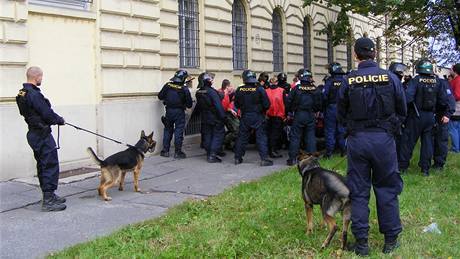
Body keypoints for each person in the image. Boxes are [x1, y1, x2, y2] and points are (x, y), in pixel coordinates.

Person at [337, 37, 407, 255]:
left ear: (356, 55)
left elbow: (340, 113)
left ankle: (362, 244)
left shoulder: (349, 80)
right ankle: (390, 240)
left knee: (358, 191)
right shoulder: (391, 77)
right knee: (387, 188)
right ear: (374, 54)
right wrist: (390, 129)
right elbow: (402, 108)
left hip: (358, 140)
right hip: (383, 140)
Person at [16, 67, 67, 212]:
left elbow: (26, 113)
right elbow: (47, 113)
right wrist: (59, 120)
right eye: (41, 77)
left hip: (33, 133)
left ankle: (49, 194)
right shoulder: (34, 94)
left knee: (43, 165)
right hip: (42, 135)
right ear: (36, 76)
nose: (41, 79)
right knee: (50, 164)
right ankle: (48, 200)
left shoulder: (22, 93)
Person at [398, 59, 449, 176]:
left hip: (416, 116)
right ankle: (425, 169)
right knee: (427, 143)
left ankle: (403, 167)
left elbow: (408, 98)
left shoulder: (416, 80)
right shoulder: (438, 82)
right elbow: (443, 101)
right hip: (430, 116)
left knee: (408, 141)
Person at [234, 70, 273, 166]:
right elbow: (267, 105)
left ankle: (237, 158)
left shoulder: (239, 90)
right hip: (258, 116)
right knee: (261, 137)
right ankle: (264, 159)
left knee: (242, 137)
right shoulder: (260, 89)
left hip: (245, 116)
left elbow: (236, 104)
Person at [286, 69, 322, 166]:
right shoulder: (315, 89)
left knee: (295, 137)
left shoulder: (296, 89)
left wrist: (289, 111)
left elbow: (288, 101)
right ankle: (313, 159)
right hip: (310, 114)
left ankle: (293, 159)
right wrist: (315, 111)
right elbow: (319, 103)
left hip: (299, 114)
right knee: (310, 137)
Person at [158, 70, 193, 159]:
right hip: (179, 112)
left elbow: (160, 96)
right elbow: (189, 105)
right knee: (178, 131)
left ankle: (165, 151)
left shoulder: (168, 85)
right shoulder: (184, 89)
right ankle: (178, 152)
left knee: (167, 130)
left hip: (169, 111)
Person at [195, 73, 226, 163]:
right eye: (211, 79)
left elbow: (199, 106)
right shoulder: (211, 92)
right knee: (218, 135)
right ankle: (212, 155)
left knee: (207, 135)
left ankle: (209, 153)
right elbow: (218, 105)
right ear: (207, 81)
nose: (212, 81)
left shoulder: (199, 92)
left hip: (205, 117)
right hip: (215, 117)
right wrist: (223, 117)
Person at [322, 62, 347, 158]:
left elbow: (324, 96)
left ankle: (329, 153)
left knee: (330, 131)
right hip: (342, 108)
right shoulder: (345, 81)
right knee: (342, 130)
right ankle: (344, 151)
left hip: (331, 108)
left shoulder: (330, 81)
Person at [432, 77, 456, 169]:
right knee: (432, 140)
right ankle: (432, 162)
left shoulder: (442, 83)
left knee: (441, 140)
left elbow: (450, 100)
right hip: (434, 114)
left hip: (441, 114)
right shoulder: (440, 82)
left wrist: (447, 114)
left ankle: (439, 163)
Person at [388, 62, 408, 159]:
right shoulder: (396, 82)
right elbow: (402, 103)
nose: (403, 74)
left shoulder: (390, 80)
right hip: (394, 116)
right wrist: (401, 119)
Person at [266, 75, 285, 158]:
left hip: (268, 115)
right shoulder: (282, 91)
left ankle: (270, 150)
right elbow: (285, 103)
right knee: (275, 134)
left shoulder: (266, 91)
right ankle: (273, 151)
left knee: (269, 133)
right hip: (278, 115)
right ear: (277, 82)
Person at [449, 63, 460, 153]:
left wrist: (449, 98)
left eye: (451, 69)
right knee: (457, 128)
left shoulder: (457, 80)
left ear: (455, 70)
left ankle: (455, 148)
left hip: (456, 107)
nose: (450, 70)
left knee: (453, 128)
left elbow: (457, 95)